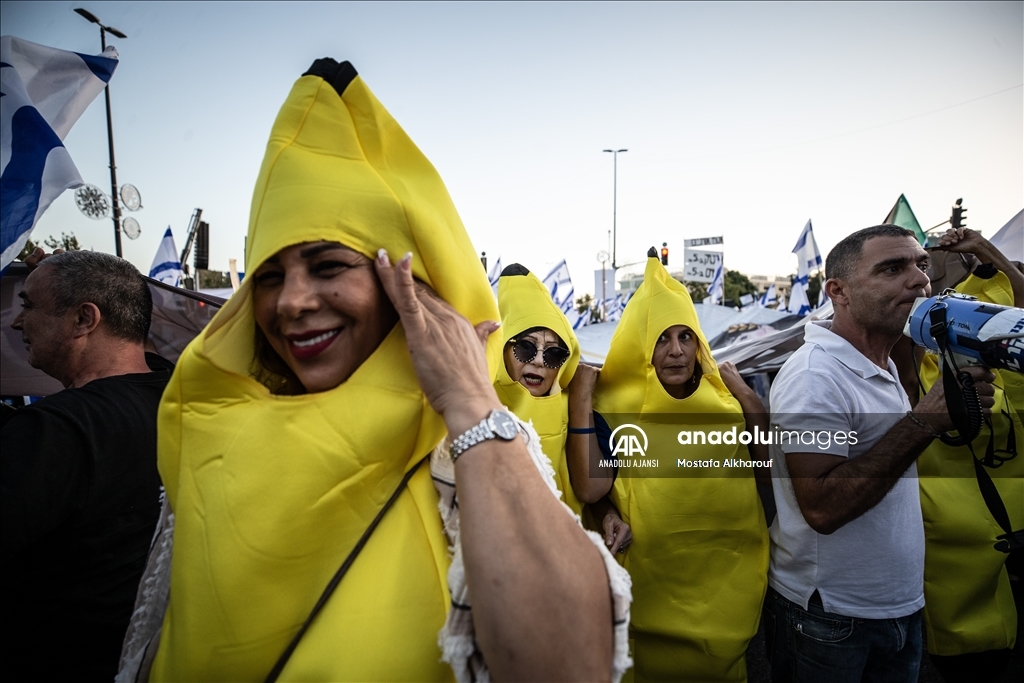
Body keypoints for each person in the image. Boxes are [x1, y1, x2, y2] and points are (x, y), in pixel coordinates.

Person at [118, 59, 631, 683]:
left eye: (330, 265)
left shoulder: (462, 448)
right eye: (270, 275)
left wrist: (470, 403)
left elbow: (571, 667)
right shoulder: (206, 424)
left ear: (408, 287)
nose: (292, 301)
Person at [762, 224, 997, 683]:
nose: (919, 281)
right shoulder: (815, 376)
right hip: (830, 618)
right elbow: (822, 506)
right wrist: (925, 421)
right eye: (892, 268)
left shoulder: (883, 359)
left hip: (896, 606)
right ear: (839, 291)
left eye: (920, 265)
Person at [567, 251, 770, 682]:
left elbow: (767, 472)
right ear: (641, 345)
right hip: (651, 601)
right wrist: (582, 400)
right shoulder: (613, 412)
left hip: (728, 596)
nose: (676, 351)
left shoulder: (728, 403)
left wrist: (751, 403)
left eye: (686, 337)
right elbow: (592, 491)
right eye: (661, 339)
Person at [1, 250, 170, 681]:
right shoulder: (183, 401)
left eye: (29, 305)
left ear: (84, 320)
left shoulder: (57, 430)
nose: (18, 323)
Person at [895, 227, 1023, 683]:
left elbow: (1019, 318)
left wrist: (987, 252)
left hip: (1011, 541)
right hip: (955, 562)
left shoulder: (994, 364)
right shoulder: (913, 367)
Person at [495, 263, 631, 552]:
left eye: (554, 354)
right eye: (526, 348)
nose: (540, 361)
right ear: (502, 348)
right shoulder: (472, 405)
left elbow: (590, 490)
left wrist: (607, 515)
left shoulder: (575, 406)